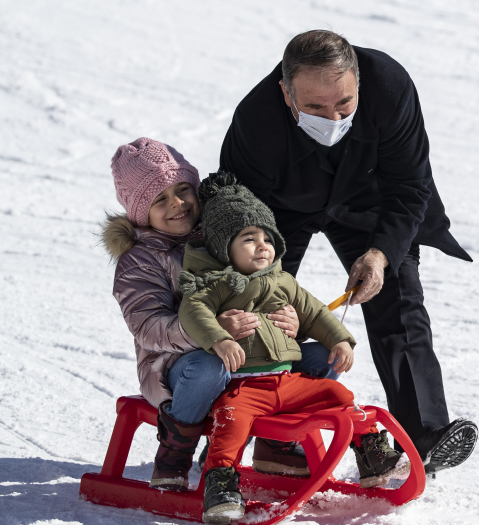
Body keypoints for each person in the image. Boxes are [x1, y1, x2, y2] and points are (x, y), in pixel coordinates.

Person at [219, 30, 477, 473]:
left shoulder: (390, 87)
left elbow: (411, 186)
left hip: (368, 199)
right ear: (286, 92)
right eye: (315, 108)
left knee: (396, 295)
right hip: (279, 209)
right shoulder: (256, 120)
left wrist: (379, 254)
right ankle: (233, 432)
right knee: (259, 305)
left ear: (359, 82)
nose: (332, 117)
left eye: (344, 104)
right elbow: (238, 213)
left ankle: (424, 435)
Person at [100, 137, 338, 491]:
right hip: (178, 366)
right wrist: (210, 332)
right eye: (159, 200)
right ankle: (175, 452)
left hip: (248, 355)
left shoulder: (222, 236)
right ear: (140, 211)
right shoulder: (140, 260)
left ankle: (274, 445)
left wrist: (290, 323)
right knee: (210, 367)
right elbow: (148, 327)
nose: (177, 204)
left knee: (320, 356)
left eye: (183, 190)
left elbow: (267, 290)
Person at [177, 173, 410, 524]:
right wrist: (220, 338)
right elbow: (192, 312)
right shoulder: (214, 284)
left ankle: (373, 456)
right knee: (229, 421)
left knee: (338, 393)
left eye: (267, 238)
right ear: (224, 246)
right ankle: (221, 484)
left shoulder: (283, 281)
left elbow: (315, 312)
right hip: (243, 387)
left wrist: (340, 339)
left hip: (287, 383)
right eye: (248, 238)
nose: (262, 246)